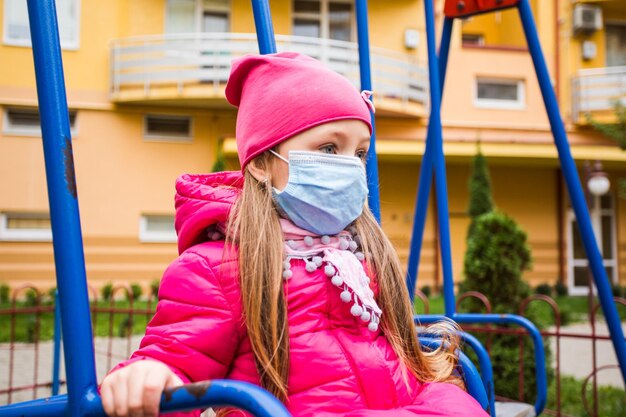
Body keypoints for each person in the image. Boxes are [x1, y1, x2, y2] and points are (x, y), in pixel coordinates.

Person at [100, 52, 488, 417]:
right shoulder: (219, 269)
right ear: (263, 164)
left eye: (359, 154)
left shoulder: (355, 257)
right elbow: (177, 354)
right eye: (330, 149)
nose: (351, 168)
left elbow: (392, 364)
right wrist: (150, 375)